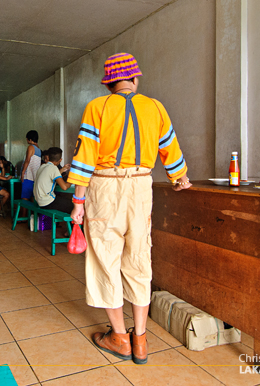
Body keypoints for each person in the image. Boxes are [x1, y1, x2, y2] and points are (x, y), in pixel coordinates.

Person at [68, 53, 192, 365]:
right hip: (141, 186)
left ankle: (119, 337)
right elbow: (170, 147)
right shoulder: (155, 107)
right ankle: (141, 340)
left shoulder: (97, 107)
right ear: (135, 80)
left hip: (104, 188)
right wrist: (179, 178)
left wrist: (78, 202)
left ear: (108, 83)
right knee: (139, 259)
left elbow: (85, 156)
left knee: (105, 260)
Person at [34, 147, 72, 214]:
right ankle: (74, 224)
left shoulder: (42, 166)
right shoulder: (54, 168)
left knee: (62, 201)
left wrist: (62, 169)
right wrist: (72, 180)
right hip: (47, 202)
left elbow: (51, 175)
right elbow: (64, 187)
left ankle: (58, 223)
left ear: (48, 157)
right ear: (60, 160)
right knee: (73, 205)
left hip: (39, 201)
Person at [20, 130, 41, 200]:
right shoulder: (39, 149)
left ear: (30, 139)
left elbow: (27, 160)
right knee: (32, 198)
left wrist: (23, 172)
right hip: (35, 178)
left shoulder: (30, 147)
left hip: (28, 176)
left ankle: (23, 211)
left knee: (25, 199)